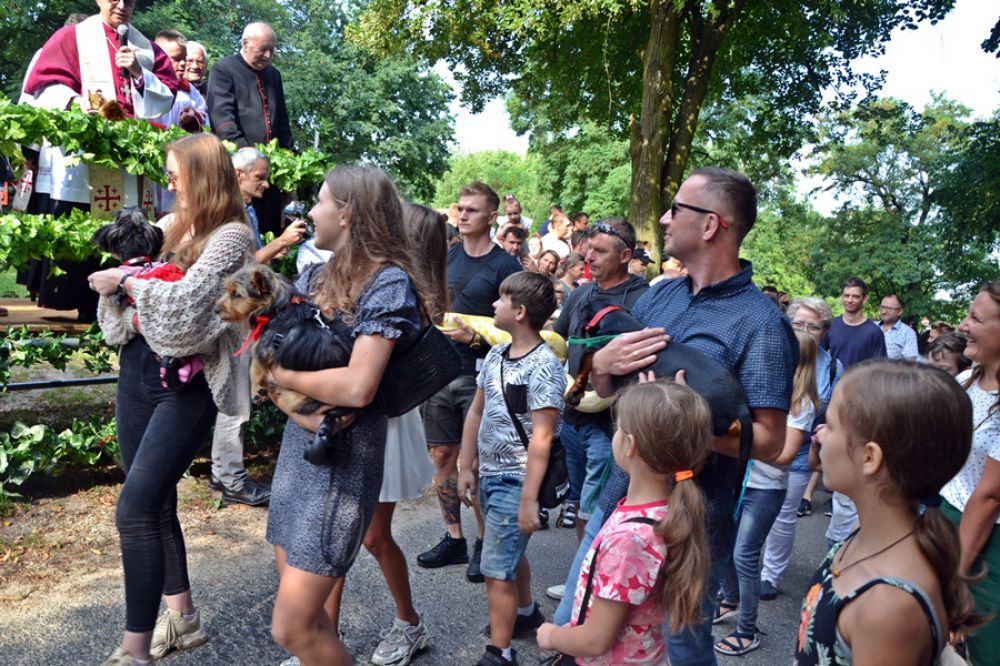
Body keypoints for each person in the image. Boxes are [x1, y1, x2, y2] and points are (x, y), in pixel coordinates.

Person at [579, 167, 797, 666]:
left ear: (711, 225)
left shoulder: (763, 323)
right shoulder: (658, 295)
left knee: (682, 653)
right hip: (618, 503)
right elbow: (612, 391)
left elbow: (769, 442)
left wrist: (683, 426)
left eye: (676, 209)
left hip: (690, 530)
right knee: (590, 629)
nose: (663, 218)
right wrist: (602, 366)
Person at [89, 132, 255, 666]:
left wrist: (128, 285)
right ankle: (183, 620)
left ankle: (134, 649)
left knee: (135, 509)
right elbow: (117, 316)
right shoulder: (172, 228)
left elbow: (183, 315)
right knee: (155, 503)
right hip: (136, 375)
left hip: (185, 387)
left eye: (175, 174)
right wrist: (132, 293)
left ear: (202, 176)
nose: (169, 183)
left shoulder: (233, 237)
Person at [265, 165, 427, 666]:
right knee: (310, 623)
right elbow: (269, 355)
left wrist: (281, 377)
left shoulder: (389, 282)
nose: (310, 212)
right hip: (300, 453)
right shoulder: (316, 275)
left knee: (291, 627)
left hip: (341, 467)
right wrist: (294, 401)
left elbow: (358, 387)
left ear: (348, 212)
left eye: (319, 201)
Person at [316, 203, 444, 666]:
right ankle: (323, 639)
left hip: (380, 418)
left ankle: (409, 623)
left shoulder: (396, 285)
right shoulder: (344, 273)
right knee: (332, 538)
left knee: (371, 537)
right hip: (344, 416)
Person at [795, 361, 983, 665]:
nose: (819, 435)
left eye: (830, 425)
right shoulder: (869, 535)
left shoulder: (889, 607)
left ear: (869, 457)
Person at [22, 0, 180, 321]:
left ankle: (120, 306)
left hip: (129, 164)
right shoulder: (71, 38)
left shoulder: (146, 48)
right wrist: (75, 102)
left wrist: (138, 72)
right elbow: (43, 85)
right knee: (83, 231)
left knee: (127, 232)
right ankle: (82, 305)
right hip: (86, 162)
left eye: (128, 0)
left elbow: (167, 95)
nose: (121, 5)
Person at [536, 379, 713, 665]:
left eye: (617, 429)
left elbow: (595, 640)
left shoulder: (631, 538)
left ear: (630, 445)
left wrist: (551, 636)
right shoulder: (664, 510)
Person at [456, 272, 564, 666]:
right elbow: (476, 412)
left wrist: (529, 499)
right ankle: (525, 613)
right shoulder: (496, 355)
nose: (493, 305)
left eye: (501, 299)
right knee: (506, 552)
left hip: (517, 478)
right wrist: (466, 465)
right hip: (489, 473)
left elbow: (542, 438)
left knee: (495, 569)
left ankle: (499, 652)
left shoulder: (545, 366)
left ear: (519, 312)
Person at [416, 181, 521, 582]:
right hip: (438, 373)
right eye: (459, 208)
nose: (462, 215)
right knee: (442, 457)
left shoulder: (506, 267)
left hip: (482, 377)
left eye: (472, 210)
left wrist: (475, 339)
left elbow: (520, 331)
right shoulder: (446, 258)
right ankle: (454, 538)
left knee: (475, 463)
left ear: (492, 217)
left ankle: (483, 542)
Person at [549, 218, 647, 593]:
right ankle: (584, 578)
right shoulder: (579, 294)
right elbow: (559, 342)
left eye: (600, 251)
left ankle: (599, 587)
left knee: (601, 505)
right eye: (589, 249)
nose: (590, 257)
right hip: (573, 417)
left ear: (625, 255)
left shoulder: (644, 299)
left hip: (614, 426)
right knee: (579, 501)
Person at [206, 147, 306, 506]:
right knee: (236, 400)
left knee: (236, 397)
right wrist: (279, 243)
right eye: (259, 177)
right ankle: (232, 480)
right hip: (233, 321)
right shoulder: (227, 213)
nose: (265, 185)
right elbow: (238, 271)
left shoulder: (243, 209)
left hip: (243, 318)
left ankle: (222, 472)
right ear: (238, 174)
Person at [715, 329, 818, 655]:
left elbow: (784, 455)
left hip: (766, 489)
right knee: (724, 544)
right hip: (739, 480)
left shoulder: (801, 404)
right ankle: (730, 598)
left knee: (744, 555)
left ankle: (747, 630)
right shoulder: (764, 390)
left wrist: (741, 442)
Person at [762, 297, 842, 599]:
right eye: (799, 324)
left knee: (784, 516)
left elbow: (836, 411)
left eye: (814, 326)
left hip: (799, 452)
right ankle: (740, 568)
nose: (805, 331)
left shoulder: (832, 367)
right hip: (760, 443)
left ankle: (770, 575)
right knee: (748, 509)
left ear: (825, 331)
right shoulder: (769, 352)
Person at [940, 281, 1000, 663]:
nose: (963, 325)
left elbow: (990, 495)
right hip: (949, 522)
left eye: (975, 318)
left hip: (987, 544)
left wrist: (956, 580)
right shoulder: (969, 378)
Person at [207, 22, 292, 236]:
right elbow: (222, 116)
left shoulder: (274, 75)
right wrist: (245, 152)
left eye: (271, 50)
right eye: (262, 49)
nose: (267, 55)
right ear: (245, 43)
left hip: (270, 171)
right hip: (239, 168)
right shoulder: (224, 69)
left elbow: (281, 119)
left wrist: (289, 155)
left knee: (270, 227)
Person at [879, 294, 918, 361]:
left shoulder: (908, 333)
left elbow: (910, 363)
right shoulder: (871, 326)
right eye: (882, 307)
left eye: (888, 308)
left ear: (900, 311)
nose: (883, 311)